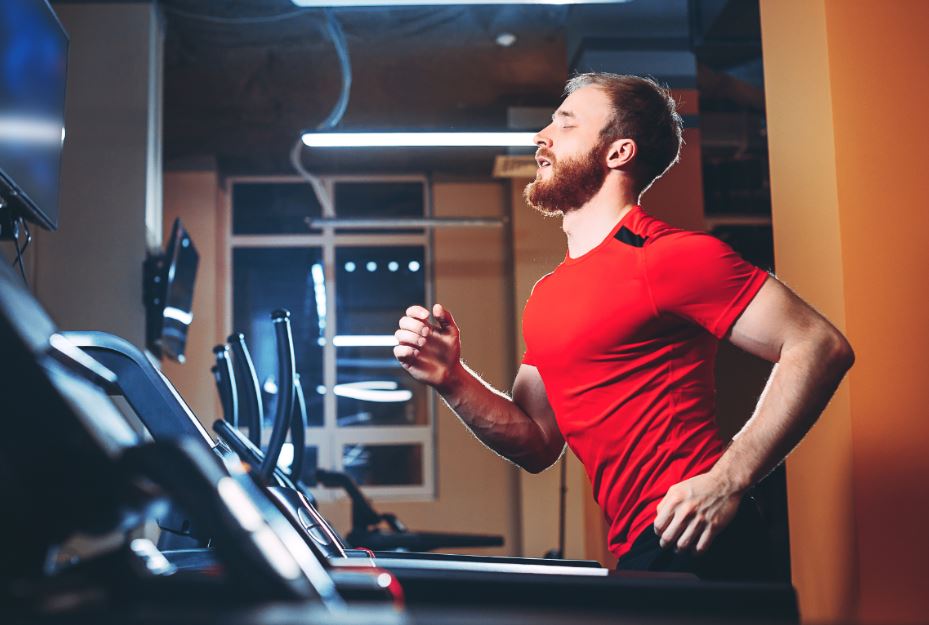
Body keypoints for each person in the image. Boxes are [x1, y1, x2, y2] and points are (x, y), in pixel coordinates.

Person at [392, 73, 854, 580]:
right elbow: (537, 441)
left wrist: (728, 478)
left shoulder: (669, 257)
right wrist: (451, 378)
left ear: (617, 153)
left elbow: (818, 344)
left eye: (565, 125)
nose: (540, 136)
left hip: (699, 537)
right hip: (641, 546)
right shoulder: (548, 295)